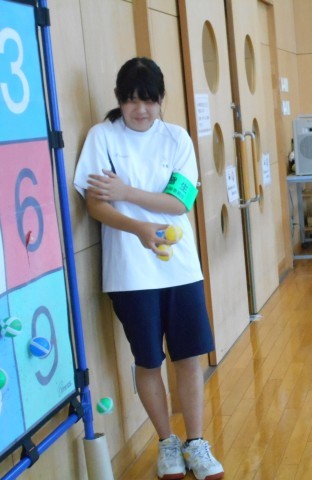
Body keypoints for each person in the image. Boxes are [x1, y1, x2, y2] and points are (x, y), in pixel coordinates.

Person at [73, 57, 223, 480]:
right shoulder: (102, 137)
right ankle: (167, 443)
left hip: (180, 267)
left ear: (161, 99)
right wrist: (138, 227)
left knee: (189, 357)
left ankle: (196, 442)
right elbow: (95, 204)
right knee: (148, 359)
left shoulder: (176, 138)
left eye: (149, 100)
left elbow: (179, 202)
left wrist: (126, 191)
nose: (140, 109)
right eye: (131, 100)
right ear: (119, 99)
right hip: (129, 271)